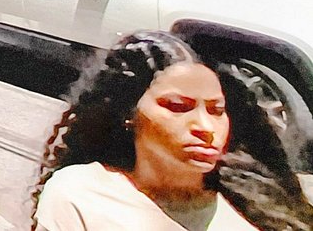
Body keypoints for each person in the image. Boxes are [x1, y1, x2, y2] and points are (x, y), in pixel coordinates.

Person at [32, 30, 313, 230]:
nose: (205, 127)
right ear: (128, 113)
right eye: (178, 107)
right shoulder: (81, 195)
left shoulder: (258, 202)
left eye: (216, 110)